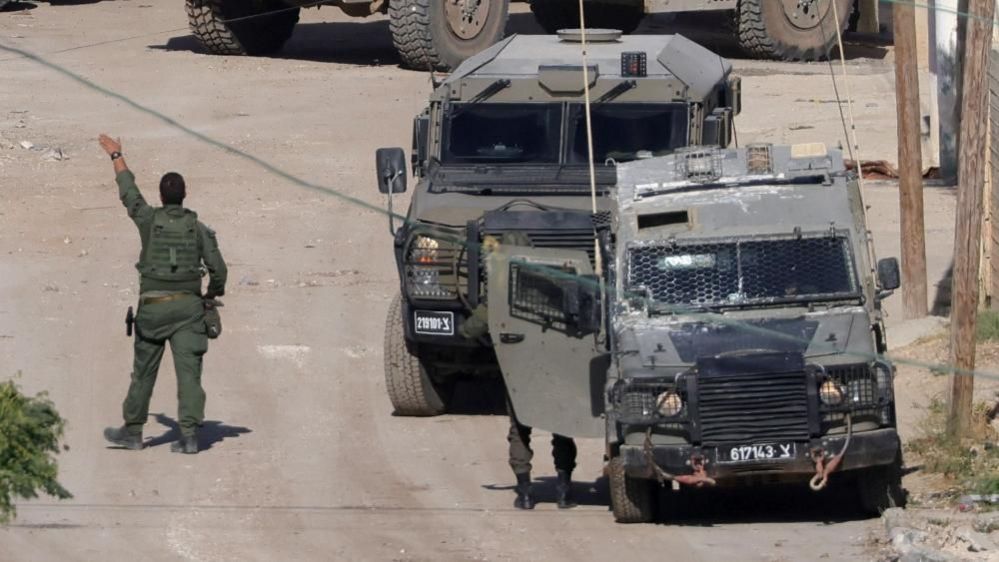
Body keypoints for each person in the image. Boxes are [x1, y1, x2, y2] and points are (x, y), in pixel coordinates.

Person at [98, 134, 227, 454]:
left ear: (161, 195)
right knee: (190, 374)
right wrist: (210, 296)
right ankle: (189, 436)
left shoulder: (149, 219)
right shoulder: (197, 228)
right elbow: (218, 268)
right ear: (185, 196)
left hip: (153, 310)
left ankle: (133, 432)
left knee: (143, 372)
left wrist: (116, 156)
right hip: (188, 310)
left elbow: (129, 194)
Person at [458, 233, 578, 510]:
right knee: (562, 428)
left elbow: (473, 328)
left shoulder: (501, 292)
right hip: (555, 369)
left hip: (519, 371)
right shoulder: (552, 285)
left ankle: (525, 492)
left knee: (519, 430)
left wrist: (465, 330)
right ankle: (563, 489)